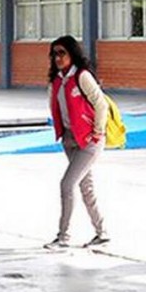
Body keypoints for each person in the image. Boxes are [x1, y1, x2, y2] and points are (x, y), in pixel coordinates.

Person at [43, 36, 109, 249]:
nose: (57, 57)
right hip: (70, 139)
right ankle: (102, 232)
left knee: (67, 184)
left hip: (89, 140)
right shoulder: (56, 80)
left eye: (62, 53)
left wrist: (97, 132)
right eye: (54, 54)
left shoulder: (82, 76)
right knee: (85, 186)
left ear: (72, 53)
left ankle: (64, 237)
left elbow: (101, 104)